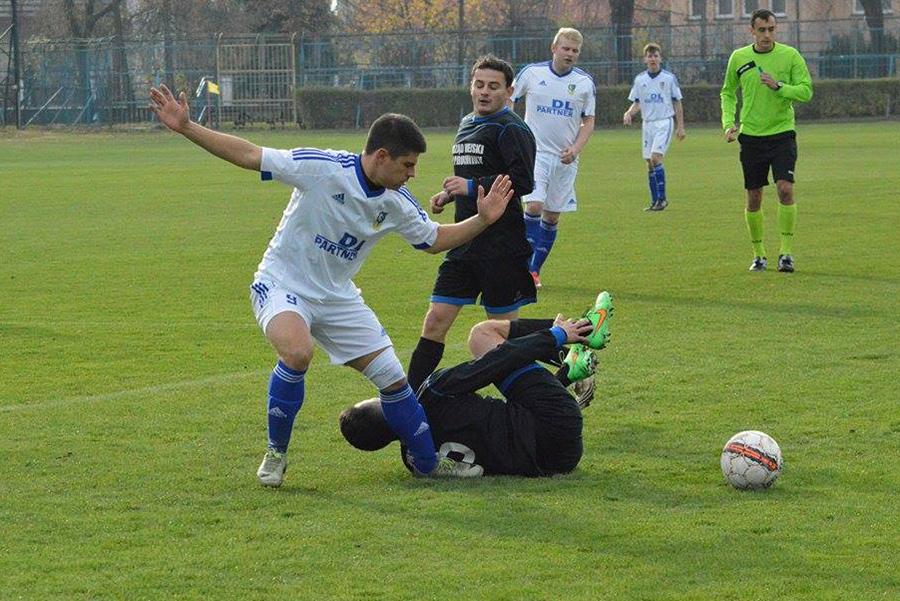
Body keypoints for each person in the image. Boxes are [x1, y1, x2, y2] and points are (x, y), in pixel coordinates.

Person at [149, 84, 516, 486]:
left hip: (338, 297)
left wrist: (482, 220)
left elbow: (434, 241)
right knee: (298, 352)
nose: (412, 173)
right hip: (282, 283)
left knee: (393, 380)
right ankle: (276, 455)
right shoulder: (322, 167)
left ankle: (429, 465)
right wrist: (187, 127)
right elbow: (251, 154)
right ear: (381, 156)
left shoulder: (397, 201)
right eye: (407, 164)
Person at [340, 292, 614, 478]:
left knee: (502, 422)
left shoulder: (414, 462)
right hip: (556, 420)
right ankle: (584, 332)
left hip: (557, 461)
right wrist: (555, 335)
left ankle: (571, 368)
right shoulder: (432, 394)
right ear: (389, 411)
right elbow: (498, 361)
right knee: (482, 336)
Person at [406, 55, 537, 392]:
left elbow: (523, 180)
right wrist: (450, 195)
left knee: (504, 335)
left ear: (509, 92)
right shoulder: (467, 123)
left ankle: (560, 370)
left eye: (493, 87)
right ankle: (410, 403)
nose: (484, 92)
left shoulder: (512, 128)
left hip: (501, 247)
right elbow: (471, 177)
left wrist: (468, 186)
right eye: (479, 85)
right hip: (464, 242)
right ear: (471, 87)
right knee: (435, 320)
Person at [721, 8, 812, 273]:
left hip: (783, 133)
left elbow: (806, 90)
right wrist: (729, 123)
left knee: (785, 188)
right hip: (751, 137)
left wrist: (779, 87)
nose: (767, 35)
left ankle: (786, 253)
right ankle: (759, 254)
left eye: (771, 29)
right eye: (762, 30)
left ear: (776, 29)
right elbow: (727, 93)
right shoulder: (739, 58)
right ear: (752, 30)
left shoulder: (790, 55)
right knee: (754, 196)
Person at [510, 27, 596, 289]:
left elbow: (589, 121)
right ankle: (521, 268)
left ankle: (534, 270)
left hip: (565, 159)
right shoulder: (533, 73)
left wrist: (576, 148)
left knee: (552, 217)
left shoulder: (584, 83)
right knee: (534, 207)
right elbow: (509, 98)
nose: (569, 54)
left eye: (574, 51)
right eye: (565, 48)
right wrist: (513, 129)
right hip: (534, 154)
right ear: (554, 48)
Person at [623, 42, 686, 212]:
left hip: (664, 122)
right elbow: (637, 102)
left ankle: (663, 199)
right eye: (649, 56)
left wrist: (680, 127)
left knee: (656, 158)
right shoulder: (640, 80)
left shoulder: (668, 78)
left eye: (655, 56)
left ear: (660, 58)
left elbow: (677, 102)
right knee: (649, 163)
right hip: (647, 124)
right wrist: (629, 113)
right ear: (645, 59)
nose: (652, 59)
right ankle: (655, 201)